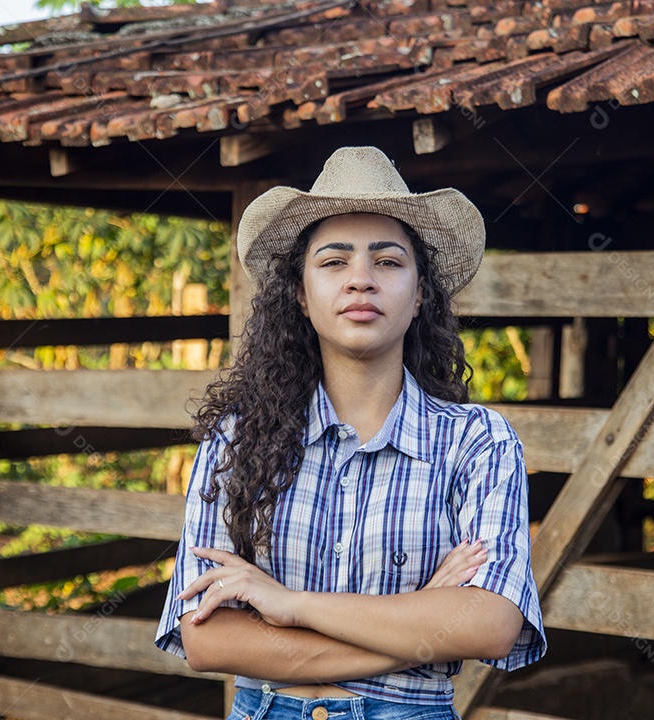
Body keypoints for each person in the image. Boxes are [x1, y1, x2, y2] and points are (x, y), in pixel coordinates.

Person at [156, 146, 546, 720]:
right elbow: (207, 640)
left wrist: (289, 606)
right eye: (333, 262)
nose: (361, 279)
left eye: (388, 262)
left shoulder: (478, 443)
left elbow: (488, 625)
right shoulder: (238, 439)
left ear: (419, 295)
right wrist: (418, 618)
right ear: (300, 294)